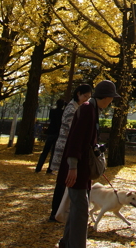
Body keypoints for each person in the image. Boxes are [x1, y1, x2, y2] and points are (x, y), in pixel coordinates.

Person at [56, 79, 120, 248]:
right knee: (81, 210)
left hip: (82, 169)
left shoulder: (92, 109)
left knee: (78, 208)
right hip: (76, 169)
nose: (111, 101)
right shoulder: (87, 110)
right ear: (106, 97)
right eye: (111, 98)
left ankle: (66, 242)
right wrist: (73, 167)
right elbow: (75, 140)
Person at [48, 84, 93, 222]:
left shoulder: (78, 108)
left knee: (65, 181)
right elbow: (71, 128)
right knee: (63, 181)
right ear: (78, 94)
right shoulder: (71, 108)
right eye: (85, 96)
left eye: (88, 98)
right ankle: (55, 213)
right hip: (65, 148)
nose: (86, 99)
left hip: (69, 147)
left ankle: (61, 212)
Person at [35, 99, 66, 173]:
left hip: (51, 132)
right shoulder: (63, 112)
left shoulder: (52, 111)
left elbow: (50, 119)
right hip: (57, 133)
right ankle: (50, 169)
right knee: (54, 152)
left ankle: (38, 168)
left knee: (45, 151)